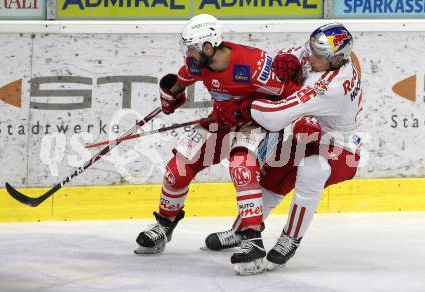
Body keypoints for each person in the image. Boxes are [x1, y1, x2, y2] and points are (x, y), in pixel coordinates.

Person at [133, 14, 299, 275]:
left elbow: (292, 100)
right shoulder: (197, 64)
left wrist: (249, 109)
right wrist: (169, 96)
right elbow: (178, 85)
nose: (188, 53)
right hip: (220, 120)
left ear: (208, 47)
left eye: (191, 47)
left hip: (255, 124)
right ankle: (165, 225)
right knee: (177, 168)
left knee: (241, 167)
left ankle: (252, 240)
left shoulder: (256, 65)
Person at [205, 23, 363, 271]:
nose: (310, 56)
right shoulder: (333, 56)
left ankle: (290, 239)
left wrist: (246, 107)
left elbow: (276, 116)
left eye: (318, 55)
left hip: (340, 147)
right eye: (311, 48)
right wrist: (287, 58)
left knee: (312, 170)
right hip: (309, 134)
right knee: (271, 177)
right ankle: (243, 231)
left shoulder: (329, 87)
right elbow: (297, 54)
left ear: (336, 60)